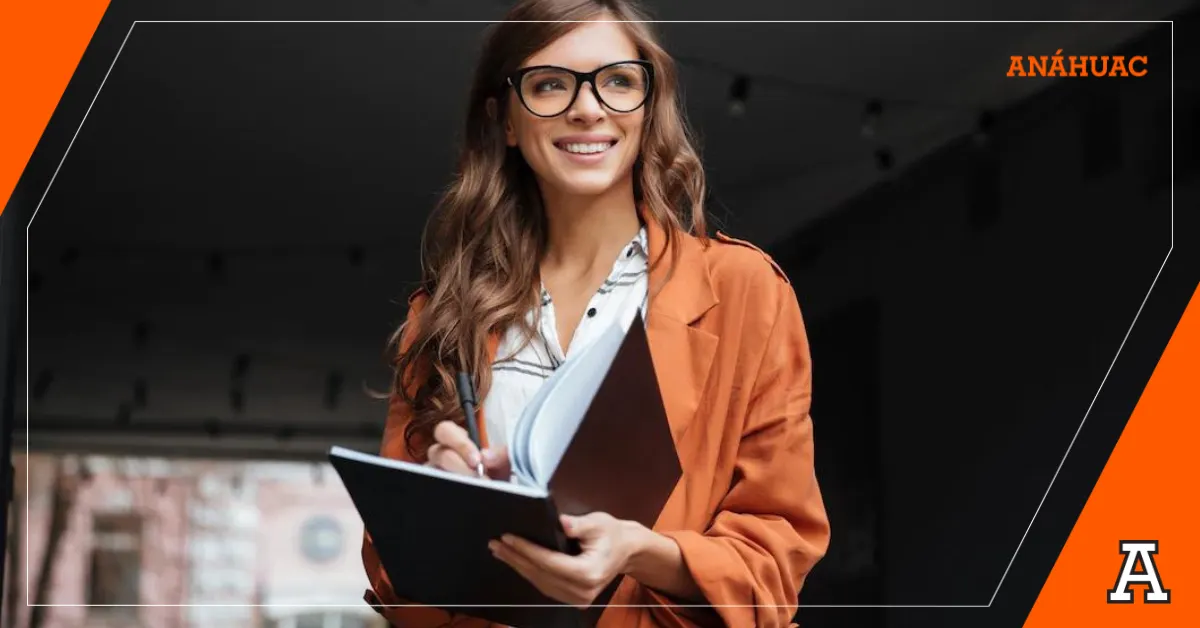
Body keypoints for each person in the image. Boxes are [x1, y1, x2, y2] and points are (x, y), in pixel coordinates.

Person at [361, 1, 830, 626]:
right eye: (550, 83)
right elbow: (394, 584)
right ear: (504, 120)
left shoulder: (745, 293)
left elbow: (774, 563)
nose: (588, 107)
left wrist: (640, 551)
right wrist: (444, 511)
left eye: (618, 81)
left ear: (646, 109)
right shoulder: (442, 319)